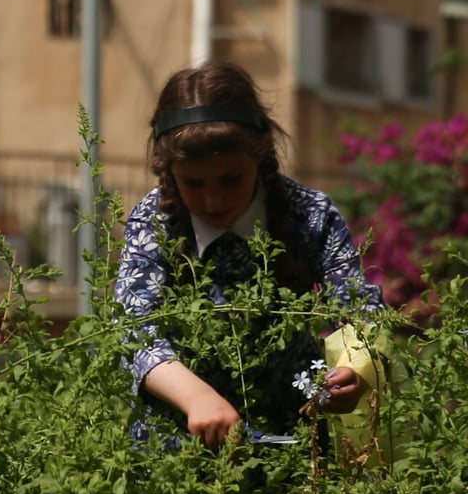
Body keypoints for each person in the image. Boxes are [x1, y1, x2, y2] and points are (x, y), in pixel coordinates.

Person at [115, 60, 383, 450]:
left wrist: (353, 371)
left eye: (231, 178)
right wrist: (197, 398)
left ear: (260, 154)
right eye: (193, 183)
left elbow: (361, 313)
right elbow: (134, 331)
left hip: (291, 451)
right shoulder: (155, 222)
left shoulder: (310, 216)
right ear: (167, 169)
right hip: (177, 458)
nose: (213, 198)